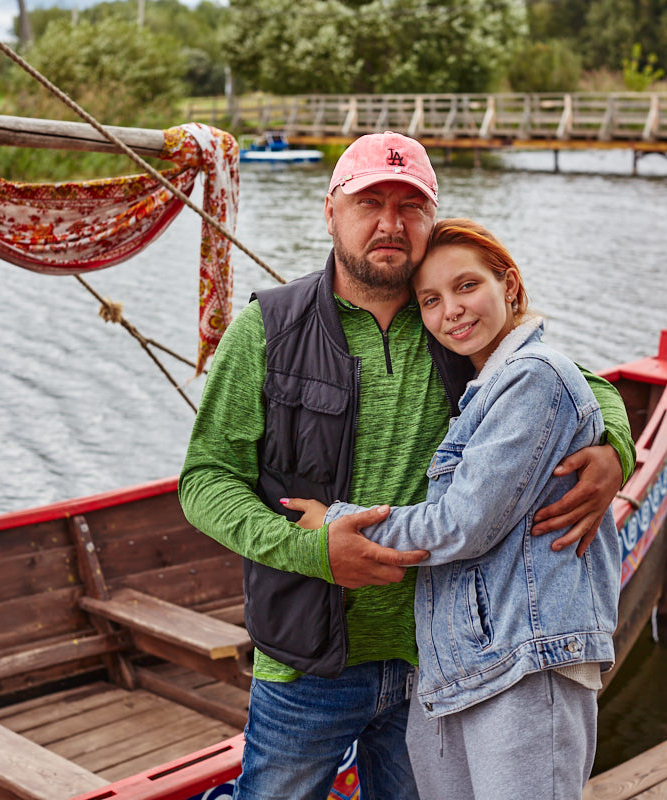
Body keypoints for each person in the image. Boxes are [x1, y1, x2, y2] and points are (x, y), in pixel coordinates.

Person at [178, 131, 636, 800]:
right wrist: (312, 550)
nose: (390, 223)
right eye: (370, 202)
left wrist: (613, 452)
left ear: (431, 217)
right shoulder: (269, 329)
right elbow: (205, 481)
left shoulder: (453, 320)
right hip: (306, 665)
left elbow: (581, 387)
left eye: (410, 205)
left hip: (437, 660)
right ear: (331, 210)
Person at [287, 218, 619, 799]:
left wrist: (335, 522)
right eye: (432, 300)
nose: (453, 312)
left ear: (509, 287)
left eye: (467, 287)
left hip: (524, 659)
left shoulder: (535, 377)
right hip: (462, 665)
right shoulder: (483, 388)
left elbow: (460, 524)